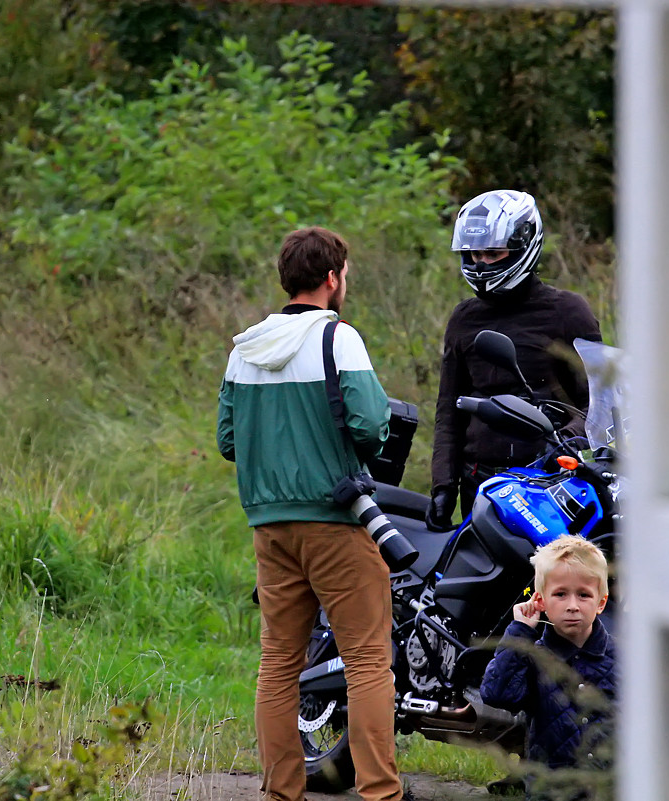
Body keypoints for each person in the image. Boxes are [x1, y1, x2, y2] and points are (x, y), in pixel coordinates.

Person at [216, 227, 402, 801]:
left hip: (269, 526)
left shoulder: (244, 349)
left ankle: (281, 794)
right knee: (369, 660)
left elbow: (228, 440)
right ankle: (380, 793)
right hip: (336, 518)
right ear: (331, 278)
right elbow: (373, 426)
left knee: (278, 664)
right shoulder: (339, 339)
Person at [427, 190, 603, 531]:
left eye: (493, 253)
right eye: (474, 253)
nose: (481, 263)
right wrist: (443, 486)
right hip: (480, 485)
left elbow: (595, 402)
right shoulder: (463, 319)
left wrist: (567, 443)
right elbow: (449, 410)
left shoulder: (568, 312)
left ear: (524, 246)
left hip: (549, 484)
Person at [480, 535, 617, 788]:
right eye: (561, 594)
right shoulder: (533, 656)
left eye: (584, 595)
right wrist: (520, 632)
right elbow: (497, 694)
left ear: (601, 602)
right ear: (541, 601)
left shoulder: (622, 658)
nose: (572, 606)